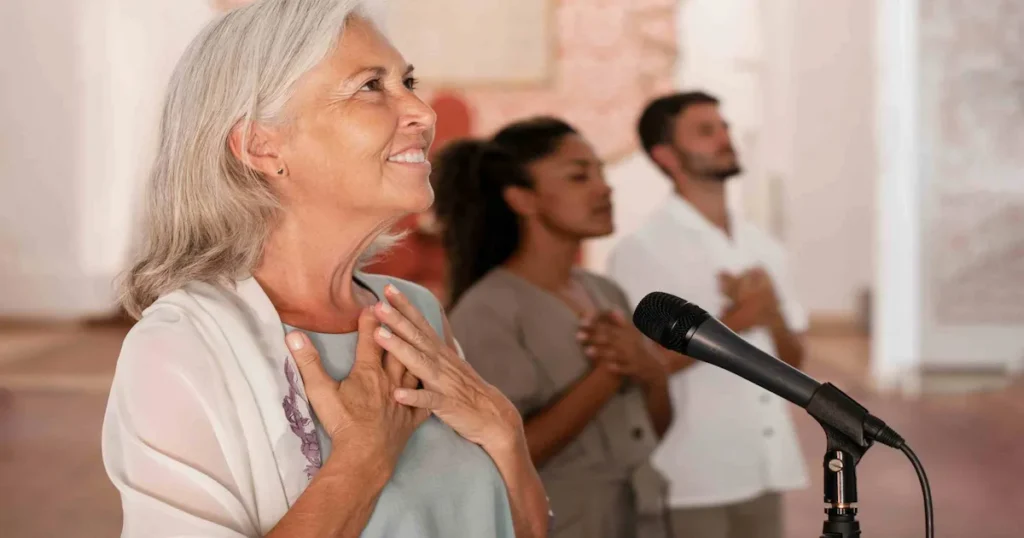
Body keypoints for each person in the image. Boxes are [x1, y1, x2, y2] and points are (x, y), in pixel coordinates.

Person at [102, 2, 550, 536]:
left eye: (407, 81)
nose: (422, 113)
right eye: (370, 86)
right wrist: (363, 458)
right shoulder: (183, 345)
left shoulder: (412, 311)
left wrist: (504, 431)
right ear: (261, 145)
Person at [433, 117, 673, 538]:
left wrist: (650, 370)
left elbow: (649, 429)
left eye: (601, 172)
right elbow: (505, 454)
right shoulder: (488, 310)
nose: (604, 187)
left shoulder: (604, 292)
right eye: (580, 176)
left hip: (642, 516)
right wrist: (609, 372)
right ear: (523, 200)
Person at [607, 91, 809, 538]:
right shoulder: (642, 251)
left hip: (764, 466)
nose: (724, 138)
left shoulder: (763, 247)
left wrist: (769, 314)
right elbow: (646, 368)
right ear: (665, 156)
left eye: (724, 127)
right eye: (705, 131)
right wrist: (737, 319)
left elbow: (795, 360)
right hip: (692, 475)